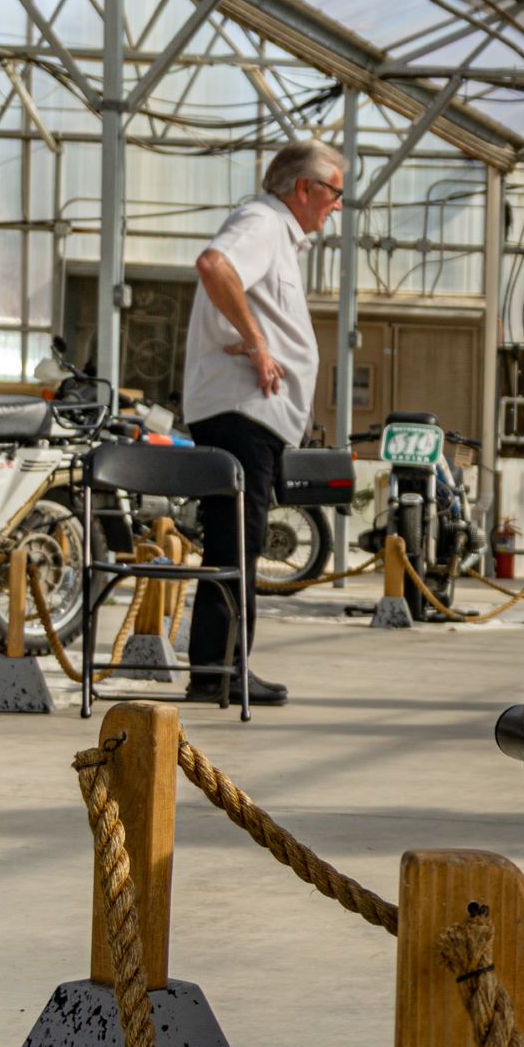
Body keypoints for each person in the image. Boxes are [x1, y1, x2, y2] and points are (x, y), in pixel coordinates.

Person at [180, 139, 344, 706]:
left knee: (237, 543)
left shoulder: (277, 233)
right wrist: (256, 344)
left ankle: (218, 669)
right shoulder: (263, 221)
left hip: (252, 415)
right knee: (235, 542)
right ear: (304, 188)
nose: (338, 205)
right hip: (241, 413)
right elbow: (213, 265)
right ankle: (220, 672)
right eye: (335, 192)